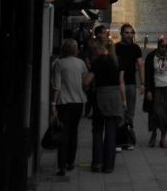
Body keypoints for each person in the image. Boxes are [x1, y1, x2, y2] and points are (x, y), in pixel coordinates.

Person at [51, 38, 92, 177]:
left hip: (63, 102)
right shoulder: (81, 63)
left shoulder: (59, 63)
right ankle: (71, 161)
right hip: (78, 101)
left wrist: (53, 104)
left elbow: (57, 86)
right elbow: (85, 82)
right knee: (73, 132)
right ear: (76, 50)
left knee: (63, 133)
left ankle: (61, 164)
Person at [90, 38, 125, 173]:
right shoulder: (117, 61)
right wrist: (124, 101)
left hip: (101, 97)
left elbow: (87, 80)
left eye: (96, 48)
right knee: (111, 132)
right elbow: (121, 82)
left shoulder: (98, 61)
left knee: (98, 131)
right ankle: (109, 165)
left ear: (100, 48)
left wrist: (83, 83)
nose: (95, 51)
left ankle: (97, 163)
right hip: (115, 97)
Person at [143, 33, 167, 149]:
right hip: (156, 88)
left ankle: (163, 138)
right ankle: (154, 133)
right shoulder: (151, 57)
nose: (164, 49)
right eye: (162, 46)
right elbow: (148, 75)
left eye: (166, 46)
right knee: (156, 112)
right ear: (158, 46)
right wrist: (148, 90)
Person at [115, 23, 144, 148]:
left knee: (130, 113)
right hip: (118, 84)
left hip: (131, 84)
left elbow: (140, 65)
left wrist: (142, 83)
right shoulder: (116, 47)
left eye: (131, 32)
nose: (129, 35)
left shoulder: (136, 48)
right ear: (121, 34)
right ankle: (118, 140)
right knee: (119, 112)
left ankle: (127, 140)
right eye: (126, 33)